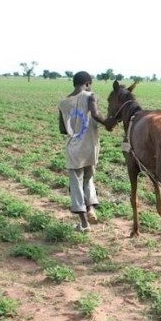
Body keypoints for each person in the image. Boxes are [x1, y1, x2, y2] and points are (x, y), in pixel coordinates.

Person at [58, 71, 114, 232]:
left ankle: (84, 224)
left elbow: (62, 129)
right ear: (88, 83)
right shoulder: (90, 96)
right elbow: (95, 114)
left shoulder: (63, 103)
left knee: (76, 184)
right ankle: (91, 210)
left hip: (74, 149)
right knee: (88, 179)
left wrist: (74, 126)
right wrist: (108, 123)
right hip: (91, 147)